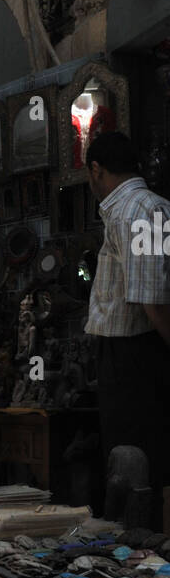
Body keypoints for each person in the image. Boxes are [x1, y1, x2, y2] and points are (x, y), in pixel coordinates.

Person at [84, 131, 170, 526]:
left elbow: (151, 299)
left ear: (97, 170)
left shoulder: (140, 211)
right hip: (123, 354)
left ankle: (142, 549)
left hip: (134, 355)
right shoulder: (133, 210)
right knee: (126, 459)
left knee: (136, 460)